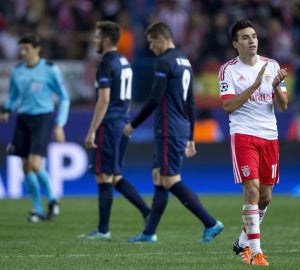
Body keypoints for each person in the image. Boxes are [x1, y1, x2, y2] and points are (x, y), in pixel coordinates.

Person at [123, 22, 224, 243]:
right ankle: (149, 233)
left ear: (160, 38)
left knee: (169, 179)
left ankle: (210, 222)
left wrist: (133, 124)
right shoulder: (184, 61)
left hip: (168, 128)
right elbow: (190, 102)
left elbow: (154, 98)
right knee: (159, 177)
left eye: (151, 42)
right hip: (177, 127)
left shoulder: (165, 61)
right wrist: (190, 135)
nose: (150, 47)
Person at [218, 19, 288, 266]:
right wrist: (255, 85)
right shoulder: (228, 70)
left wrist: (276, 86)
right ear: (235, 43)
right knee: (251, 190)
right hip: (244, 134)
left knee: (265, 197)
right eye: (245, 37)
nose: (252, 41)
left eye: (254, 36)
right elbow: (227, 106)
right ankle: (256, 253)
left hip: (270, 135)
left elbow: (282, 106)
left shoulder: (273, 65)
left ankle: (242, 242)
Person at [79, 21, 150, 239]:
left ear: (106, 40)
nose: (94, 40)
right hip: (122, 122)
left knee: (103, 175)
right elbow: (126, 98)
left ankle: (103, 230)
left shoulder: (106, 62)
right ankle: (148, 212)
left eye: (97, 36)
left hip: (109, 124)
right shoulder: (124, 62)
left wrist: (92, 130)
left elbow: (104, 98)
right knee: (115, 175)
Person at [0, 33, 70, 222]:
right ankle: (38, 210)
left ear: (37, 49)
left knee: (35, 163)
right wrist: (7, 110)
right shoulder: (17, 70)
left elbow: (64, 98)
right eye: (21, 49)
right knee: (25, 166)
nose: (23, 53)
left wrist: (60, 124)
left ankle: (53, 198)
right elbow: (13, 95)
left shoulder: (50, 69)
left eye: (27, 49)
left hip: (42, 118)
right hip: (23, 118)